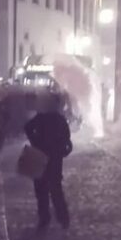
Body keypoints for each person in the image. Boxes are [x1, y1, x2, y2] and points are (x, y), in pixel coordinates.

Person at [24, 92, 73, 228]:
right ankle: (63, 218)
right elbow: (67, 138)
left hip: (40, 155)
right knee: (56, 189)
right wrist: (63, 149)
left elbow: (27, 127)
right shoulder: (59, 119)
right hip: (55, 158)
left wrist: (35, 141)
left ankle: (44, 218)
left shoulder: (41, 117)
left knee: (41, 190)